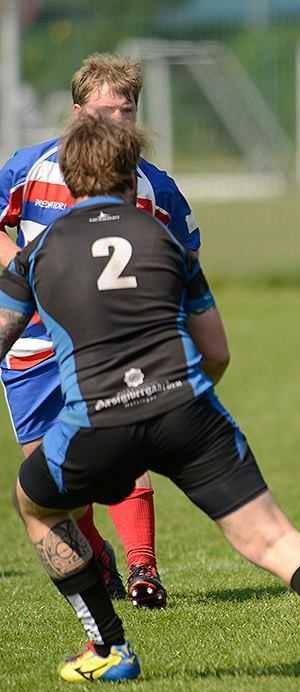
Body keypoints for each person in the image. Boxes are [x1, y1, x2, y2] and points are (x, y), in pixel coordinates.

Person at [3, 114, 300, 683]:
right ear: (131, 175)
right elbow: (217, 352)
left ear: (69, 178)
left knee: (35, 506)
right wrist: (177, 403)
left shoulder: (37, 252)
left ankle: (109, 648)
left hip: (96, 422)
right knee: (273, 538)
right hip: (187, 411)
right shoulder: (165, 240)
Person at [0, 54, 189, 607]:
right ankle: (98, 558)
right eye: (105, 111)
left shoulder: (155, 188)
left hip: (110, 343)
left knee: (123, 448)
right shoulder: (29, 168)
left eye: (126, 111)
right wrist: (25, 269)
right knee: (51, 471)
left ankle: (143, 568)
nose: (116, 122)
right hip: (32, 342)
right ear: (78, 113)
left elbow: (184, 260)